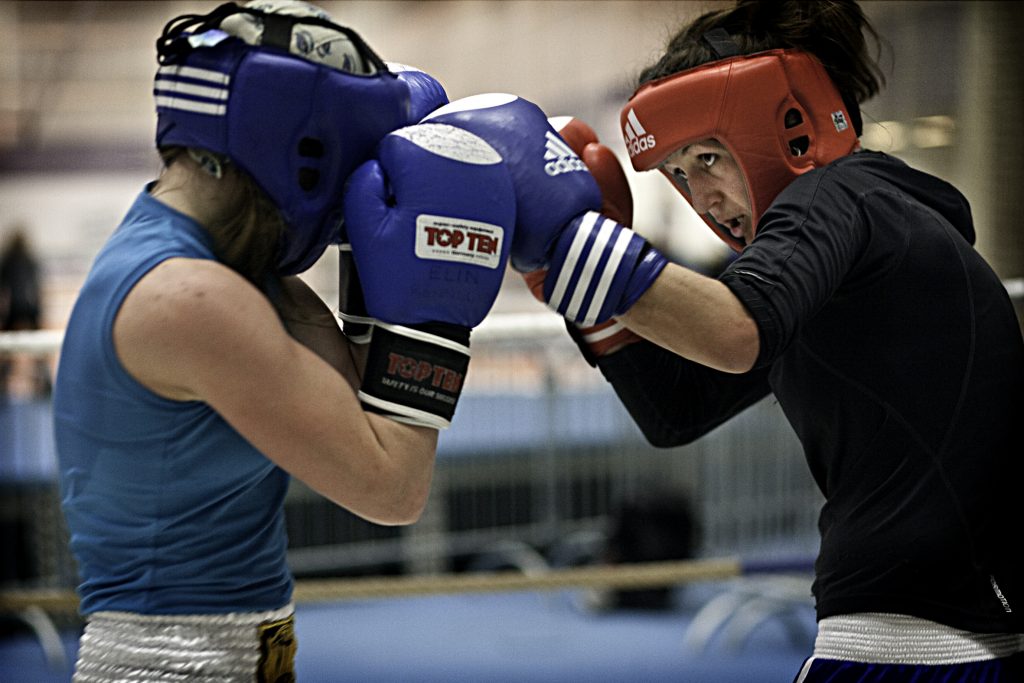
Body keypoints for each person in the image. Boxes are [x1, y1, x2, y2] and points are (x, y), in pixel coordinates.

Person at [419, 0, 1023, 680]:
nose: (699, 196)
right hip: (947, 618)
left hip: (908, 635)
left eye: (708, 156)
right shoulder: (877, 240)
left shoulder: (838, 194)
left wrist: (567, 240)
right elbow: (680, 406)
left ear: (790, 126)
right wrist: (583, 293)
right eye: (679, 173)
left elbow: (737, 331)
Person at [52, 1, 516, 679]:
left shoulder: (243, 278)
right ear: (294, 144)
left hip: (238, 654)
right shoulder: (191, 298)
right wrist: (436, 308)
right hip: (172, 664)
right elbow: (392, 488)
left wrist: (377, 252)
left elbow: (364, 411)